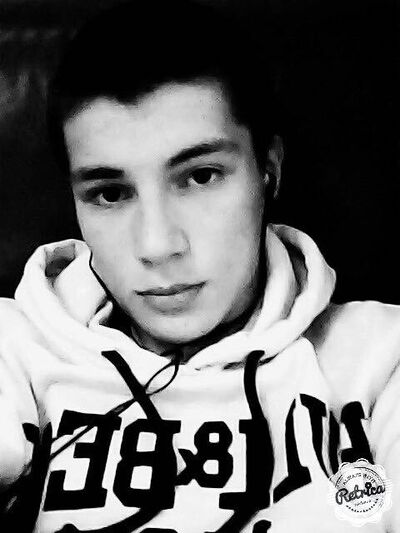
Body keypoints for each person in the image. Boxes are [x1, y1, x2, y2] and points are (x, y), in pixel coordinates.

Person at [0, 1, 399, 532]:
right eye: (111, 193)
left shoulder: (382, 357)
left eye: (201, 176)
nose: (157, 246)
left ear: (269, 170)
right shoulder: (15, 347)